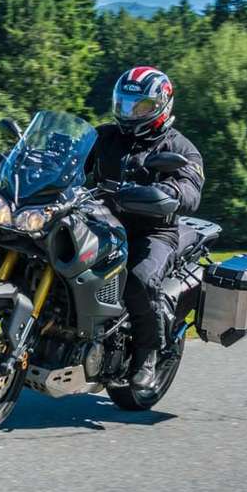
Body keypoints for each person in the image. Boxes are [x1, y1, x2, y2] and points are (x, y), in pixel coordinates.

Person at [85, 66, 205, 393]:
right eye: (124, 104)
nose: (129, 113)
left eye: (139, 107)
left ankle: (147, 354)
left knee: (138, 280)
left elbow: (191, 188)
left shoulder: (179, 148)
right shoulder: (105, 136)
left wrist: (171, 194)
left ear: (161, 105)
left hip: (153, 232)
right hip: (102, 223)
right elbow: (71, 158)